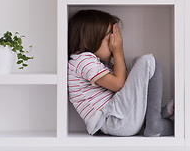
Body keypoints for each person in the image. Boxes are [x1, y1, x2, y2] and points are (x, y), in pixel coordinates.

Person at [68, 9, 174, 137]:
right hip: (114, 121)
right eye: (109, 41)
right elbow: (119, 84)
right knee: (149, 62)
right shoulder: (82, 60)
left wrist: (116, 52)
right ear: (87, 41)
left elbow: (125, 83)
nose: (113, 45)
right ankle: (154, 121)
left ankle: (153, 119)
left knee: (137, 64)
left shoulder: (95, 63)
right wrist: (118, 51)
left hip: (116, 120)